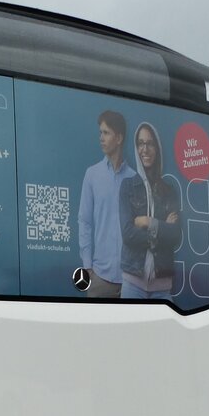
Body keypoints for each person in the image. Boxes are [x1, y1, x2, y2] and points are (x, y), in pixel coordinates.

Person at [119, 122, 181, 300]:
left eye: (150, 143)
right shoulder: (127, 187)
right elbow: (128, 234)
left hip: (162, 288)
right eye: (140, 143)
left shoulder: (169, 191)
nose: (145, 149)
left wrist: (148, 222)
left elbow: (175, 235)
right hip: (133, 283)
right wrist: (162, 229)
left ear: (157, 148)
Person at [76, 110, 135, 297]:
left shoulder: (135, 179)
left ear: (119, 138)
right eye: (100, 132)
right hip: (99, 279)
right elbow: (84, 221)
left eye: (106, 133)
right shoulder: (92, 175)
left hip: (132, 281)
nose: (101, 138)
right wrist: (87, 266)